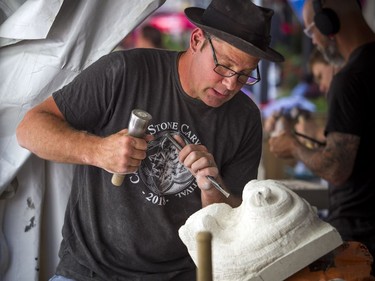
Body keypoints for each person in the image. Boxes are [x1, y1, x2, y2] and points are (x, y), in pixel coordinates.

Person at [16, 0, 284, 280]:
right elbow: (29, 129)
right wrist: (97, 151)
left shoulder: (244, 118)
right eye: (224, 66)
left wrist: (212, 192)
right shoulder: (125, 72)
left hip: (179, 274)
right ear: (196, 40)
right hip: (90, 271)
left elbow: (239, 224)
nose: (231, 84)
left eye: (244, 75)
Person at [268, 0, 375, 273]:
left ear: (328, 22)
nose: (313, 40)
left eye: (310, 30)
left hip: (360, 236)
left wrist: (293, 145)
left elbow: (336, 167)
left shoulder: (349, 79)